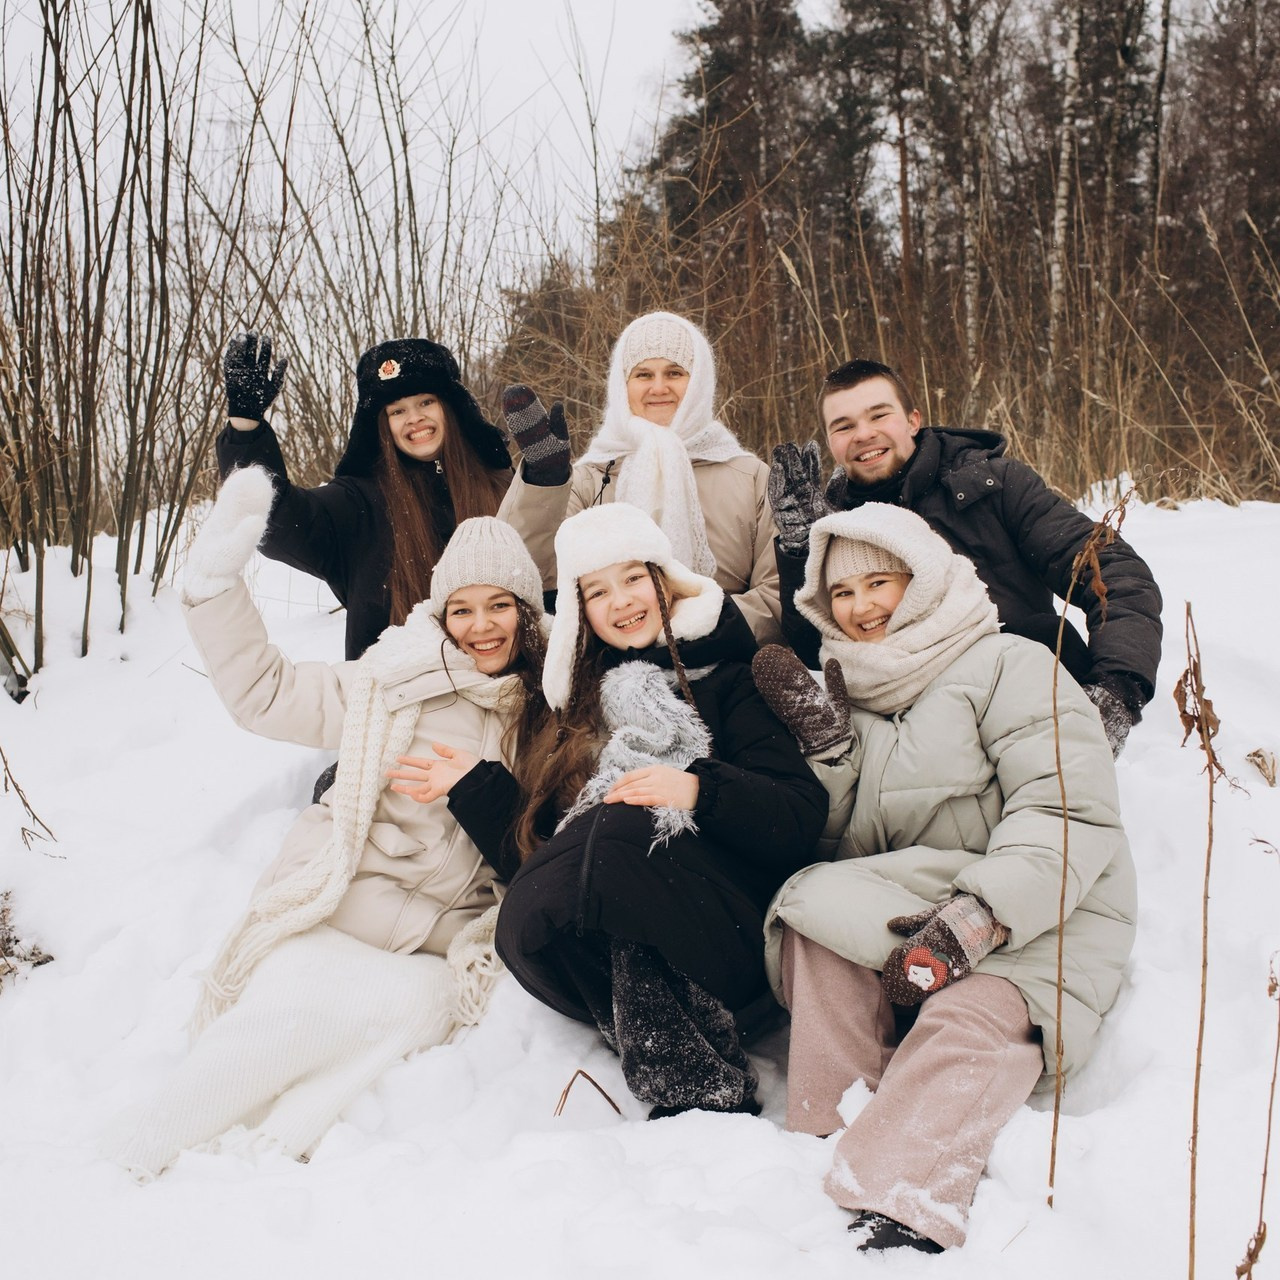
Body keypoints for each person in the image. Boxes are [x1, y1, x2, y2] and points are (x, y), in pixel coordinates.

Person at [101, 474, 549, 1179]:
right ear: (439, 615)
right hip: (341, 906)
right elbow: (267, 694)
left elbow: (544, 844)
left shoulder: (547, 715)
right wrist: (217, 585)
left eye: (501, 605)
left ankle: (270, 1153)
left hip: (440, 941)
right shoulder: (390, 681)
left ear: (528, 612)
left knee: (415, 1012)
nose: (482, 625)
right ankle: (139, 1153)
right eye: (462, 608)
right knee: (283, 1016)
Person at [749, 503, 1135, 1253]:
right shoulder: (853, 696)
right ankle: (828, 1129)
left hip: (1047, 900)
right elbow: (850, 849)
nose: (861, 609)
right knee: (813, 916)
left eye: (877, 583)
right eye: (841, 596)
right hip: (923, 891)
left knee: (969, 1020)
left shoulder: (1011, 664)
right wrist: (832, 757)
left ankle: (901, 1195)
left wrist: (981, 915)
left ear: (921, 579)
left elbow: (1067, 808)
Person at [446, 502, 826, 1118]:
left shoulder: (732, 680)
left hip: (731, 932)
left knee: (618, 831)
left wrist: (697, 790)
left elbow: (800, 817)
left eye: (632, 579)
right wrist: (475, 788)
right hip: (616, 944)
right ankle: (689, 1078)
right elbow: (540, 861)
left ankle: (697, 1092)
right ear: (581, 614)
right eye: (598, 591)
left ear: (665, 582)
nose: (621, 601)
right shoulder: (573, 715)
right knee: (567, 884)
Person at [767, 358, 1163, 754]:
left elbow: (1115, 574)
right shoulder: (830, 522)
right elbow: (814, 654)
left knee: (1047, 637)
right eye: (844, 426)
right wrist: (800, 549)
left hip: (1010, 703)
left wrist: (1118, 688)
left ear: (912, 420)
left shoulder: (992, 485)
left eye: (878, 415)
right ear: (831, 440)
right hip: (894, 729)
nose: (863, 435)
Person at [217, 333, 512, 661]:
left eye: (426, 402)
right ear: (382, 426)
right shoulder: (357, 504)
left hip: (505, 699)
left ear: (451, 409)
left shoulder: (503, 488)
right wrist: (245, 429)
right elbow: (275, 521)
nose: (414, 418)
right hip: (400, 704)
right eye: (397, 411)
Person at [497, 310, 783, 642]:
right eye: (644, 374)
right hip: (611, 664)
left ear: (699, 381)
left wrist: (712, 629)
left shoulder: (749, 476)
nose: (658, 387)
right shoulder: (588, 479)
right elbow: (526, 574)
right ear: (623, 385)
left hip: (730, 666)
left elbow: (778, 590)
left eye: (674, 372)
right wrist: (544, 483)